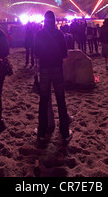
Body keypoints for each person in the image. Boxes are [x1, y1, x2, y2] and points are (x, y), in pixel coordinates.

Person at [34, 10, 72, 142]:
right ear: (55, 20)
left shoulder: (39, 33)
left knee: (43, 101)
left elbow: (36, 52)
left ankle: (42, 132)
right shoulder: (59, 33)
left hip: (44, 69)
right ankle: (65, 132)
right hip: (57, 68)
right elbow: (64, 54)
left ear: (44, 20)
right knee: (61, 100)